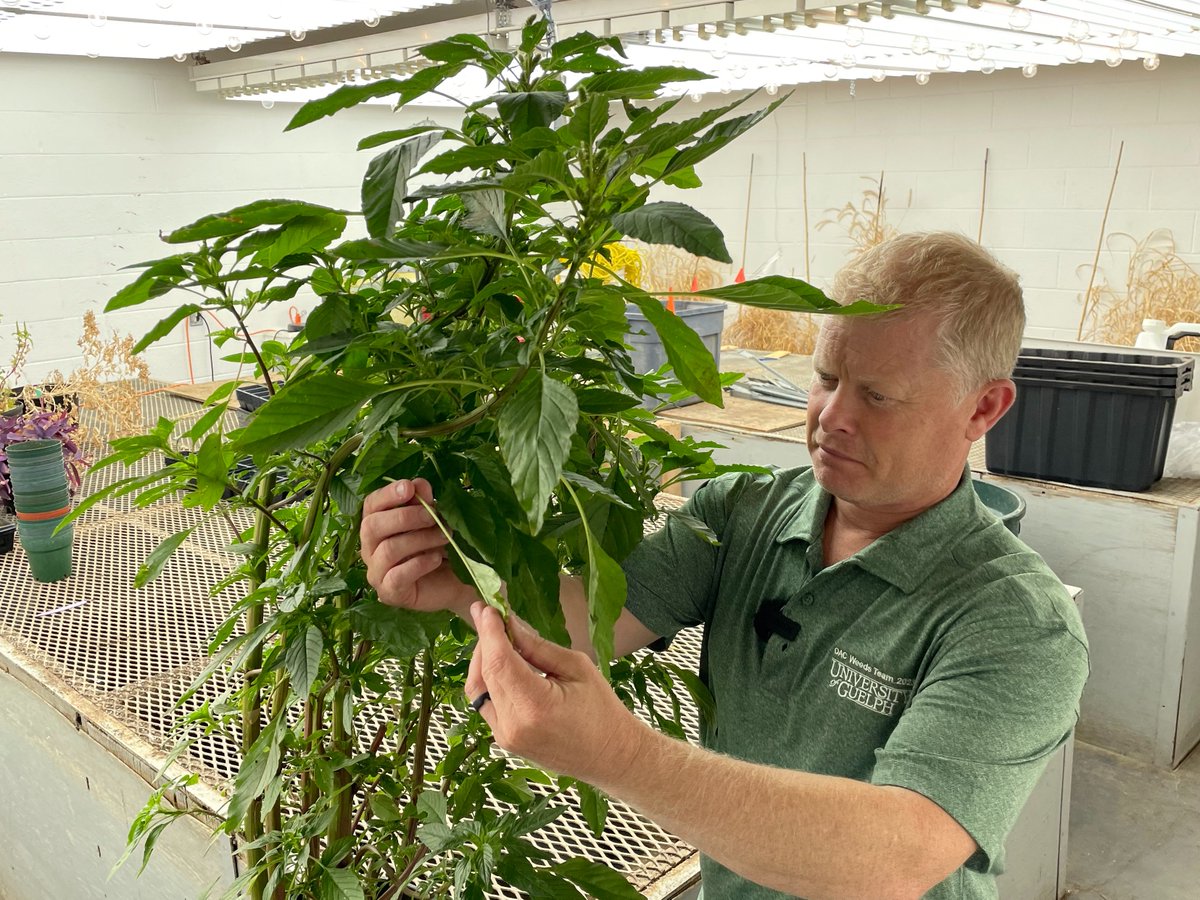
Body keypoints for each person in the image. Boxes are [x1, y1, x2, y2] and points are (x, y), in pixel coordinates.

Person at [360, 231, 1089, 900]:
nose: (833, 415)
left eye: (877, 395)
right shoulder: (740, 515)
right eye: (827, 376)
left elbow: (898, 852)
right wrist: (457, 583)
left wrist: (622, 756)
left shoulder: (1018, 621)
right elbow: (586, 625)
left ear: (983, 409)